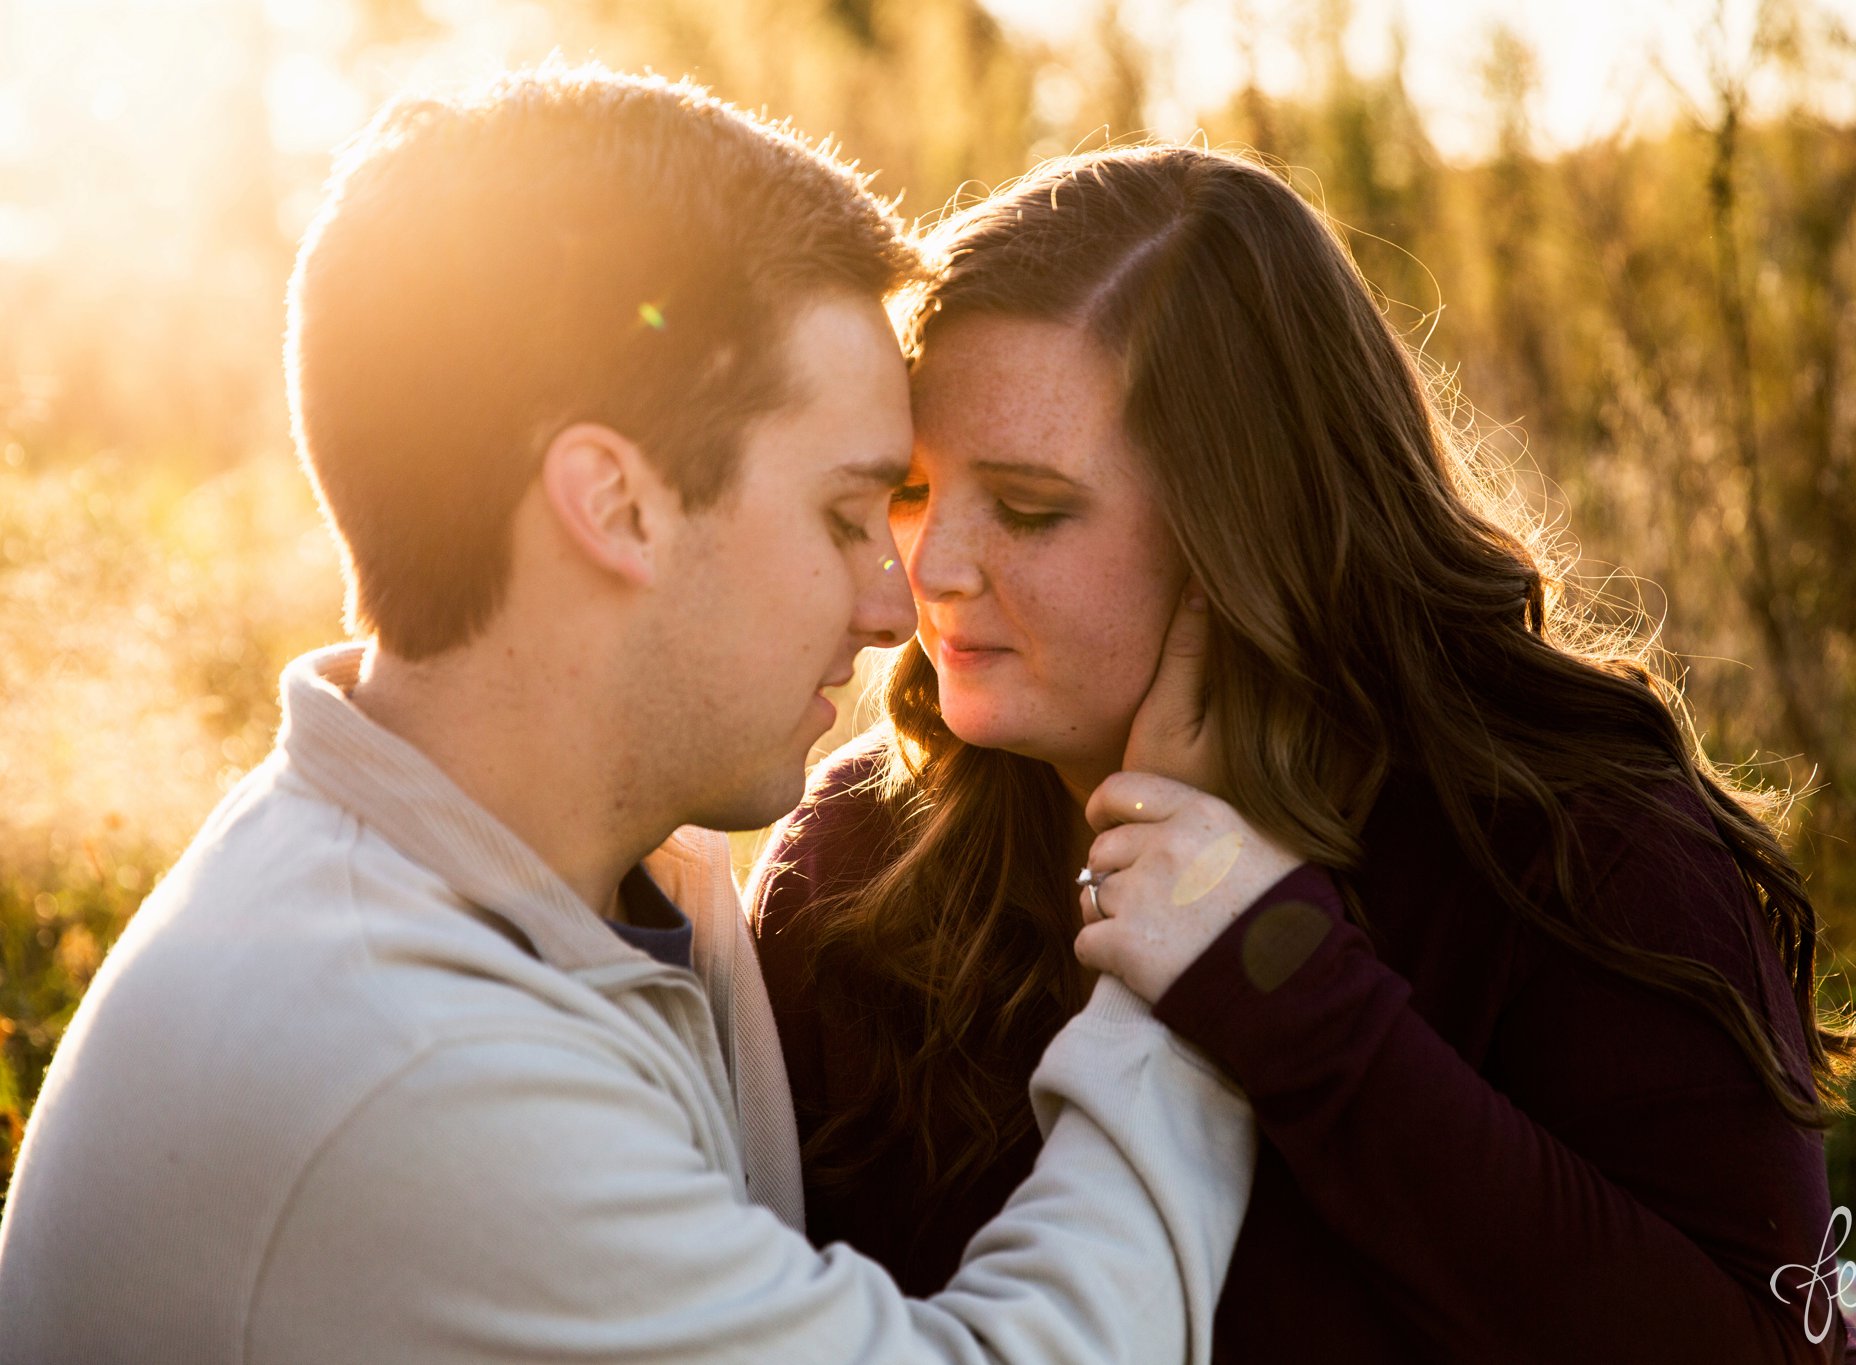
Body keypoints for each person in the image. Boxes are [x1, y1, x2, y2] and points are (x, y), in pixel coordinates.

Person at [0, 70, 1264, 1363]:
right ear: (614, 506)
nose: (898, 604)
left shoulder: (616, 870)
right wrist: (1196, 957)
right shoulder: (413, 1064)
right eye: (845, 515)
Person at [752, 145, 1856, 1363]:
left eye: (1030, 509)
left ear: (1247, 524)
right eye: (912, 491)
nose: (925, 571)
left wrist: (1285, 988)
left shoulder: (1574, 848)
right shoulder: (857, 864)